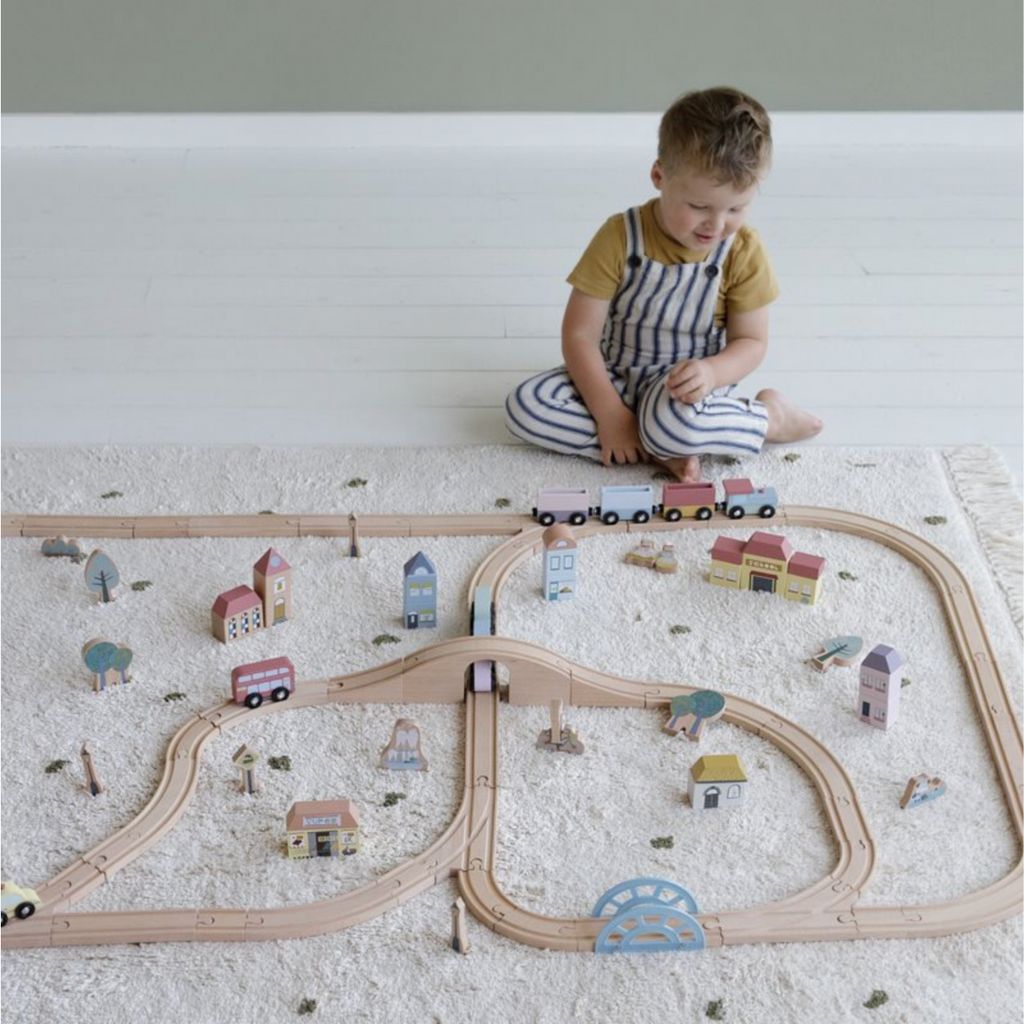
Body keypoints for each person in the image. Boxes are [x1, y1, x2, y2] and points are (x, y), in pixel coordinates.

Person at [505, 86, 822, 483]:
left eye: (736, 208)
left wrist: (710, 373)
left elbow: (751, 342)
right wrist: (607, 411)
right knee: (527, 407)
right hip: (616, 374)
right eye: (699, 206)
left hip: (684, 391)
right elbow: (580, 334)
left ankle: (768, 418)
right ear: (659, 176)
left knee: (677, 426)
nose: (717, 224)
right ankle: (656, 445)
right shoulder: (620, 236)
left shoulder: (742, 250)